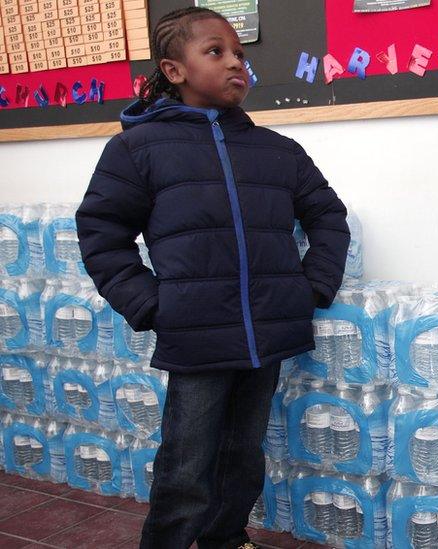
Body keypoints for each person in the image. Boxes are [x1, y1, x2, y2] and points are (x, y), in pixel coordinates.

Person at [75, 7, 350, 548]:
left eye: (241, 55)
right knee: (186, 469)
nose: (236, 65)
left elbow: (327, 215)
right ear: (174, 70)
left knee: (243, 458)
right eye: (216, 52)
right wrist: (152, 304)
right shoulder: (137, 150)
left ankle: (227, 540)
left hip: (268, 334)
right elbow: (101, 232)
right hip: (196, 338)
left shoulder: (276, 150)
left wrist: (312, 285)